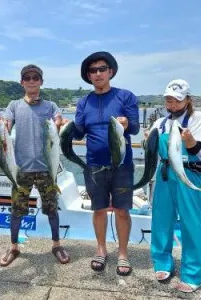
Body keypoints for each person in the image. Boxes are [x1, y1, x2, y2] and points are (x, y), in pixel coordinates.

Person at [73, 51, 139, 276]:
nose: (98, 73)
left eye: (102, 69)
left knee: (122, 210)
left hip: (122, 164)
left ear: (111, 71)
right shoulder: (84, 102)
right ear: (89, 76)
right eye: (93, 71)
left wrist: (127, 122)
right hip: (93, 165)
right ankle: (100, 249)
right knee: (98, 209)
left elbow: (136, 129)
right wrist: (62, 125)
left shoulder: (125, 96)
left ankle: (123, 253)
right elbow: (79, 133)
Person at [0, 64, 70, 266]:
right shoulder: (13, 105)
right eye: (27, 78)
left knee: (52, 209)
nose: (31, 81)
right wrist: (3, 126)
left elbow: (57, 122)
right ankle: (14, 247)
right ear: (22, 82)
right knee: (17, 211)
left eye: (35, 77)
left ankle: (56, 244)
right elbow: (7, 124)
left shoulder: (51, 106)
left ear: (41, 82)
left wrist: (59, 123)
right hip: (21, 169)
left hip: (47, 168)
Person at [149, 79, 201, 293]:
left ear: (187, 99)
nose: (173, 105)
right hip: (166, 173)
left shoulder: (197, 118)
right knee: (161, 218)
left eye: (177, 100)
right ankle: (162, 262)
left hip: (190, 173)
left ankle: (194, 274)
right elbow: (151, 149)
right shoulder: (159, 123)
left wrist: (189, 141)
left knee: (192, 223)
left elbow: (196, 150)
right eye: (169, 100)